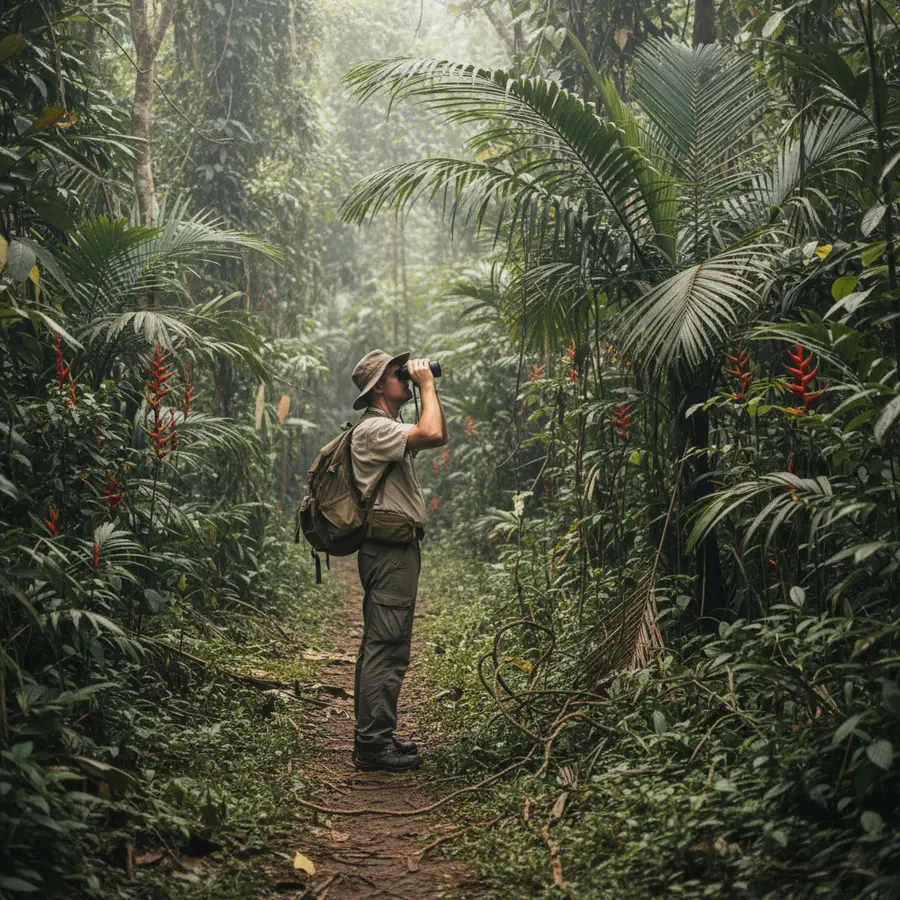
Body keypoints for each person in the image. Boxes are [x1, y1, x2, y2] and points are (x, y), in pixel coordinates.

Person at [348, 350, 448, 772]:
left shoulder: (385, 428)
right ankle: (372, 746)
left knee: (386, 641)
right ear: (377, 388)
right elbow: (434, 433)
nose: (405, 377)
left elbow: (425, 431)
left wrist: (421, 383)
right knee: (386, 644)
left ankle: (377, 734)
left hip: (395, 550)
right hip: (389, 553)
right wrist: (427, 384)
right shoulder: (373, 429)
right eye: (398, 374)